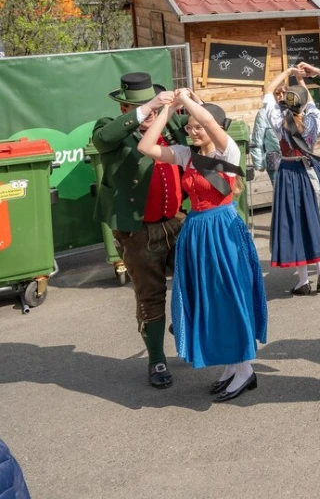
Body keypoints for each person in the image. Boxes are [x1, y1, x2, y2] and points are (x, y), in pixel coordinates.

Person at [138, 90, 267, 403]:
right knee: (209, 298)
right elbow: (145, 147)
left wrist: (187, 99)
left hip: (222, 230)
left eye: (198, 127)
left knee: (228, 296)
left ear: (214, 127)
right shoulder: (186, 155)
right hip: (197, 231)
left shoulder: (227, 152)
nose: (192, 131)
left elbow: (208, 120)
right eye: (189, 127)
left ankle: (245, 369)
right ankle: (233, 366)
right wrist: (168, 109)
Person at [92, 73, 186, 388]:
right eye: (144, 108)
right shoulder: (111, 128)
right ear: (125, 109)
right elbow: (103, 139)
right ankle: (157, 358)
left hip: (176, 221)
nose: (151, 114)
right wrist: (147, 108)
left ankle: (183, 323)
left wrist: (187, 102)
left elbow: (201, 128)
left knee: (199, 276)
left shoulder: (168, 125)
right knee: (151, 296)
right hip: (138, 231)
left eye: (155, 108)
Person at [258, 68, 320, 295]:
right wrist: (300, 79)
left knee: (295, 223)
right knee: (316, 216)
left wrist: (286, 72)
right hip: (311, 171)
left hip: (288, 173)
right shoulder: (316, 119)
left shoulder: (278, 121)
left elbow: (267, 91)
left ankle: (303, 281)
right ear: (304, 104)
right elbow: (310, 104)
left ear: (286, 102)